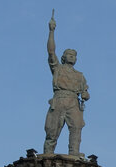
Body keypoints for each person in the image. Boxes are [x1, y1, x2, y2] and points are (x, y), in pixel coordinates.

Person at [43, 14, 89, 156]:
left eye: (74, 55)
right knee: (53, 129)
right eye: (69, 54)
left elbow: (85, 91)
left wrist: (85, 95)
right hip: (60, 99)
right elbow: (51, 52)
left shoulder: (80, 75)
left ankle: (74, 152)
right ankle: (48, 153)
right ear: (63, 57)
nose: (71, 56)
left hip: (73, 102)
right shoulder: (58, 68)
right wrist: (51, 31)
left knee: (76, 127)